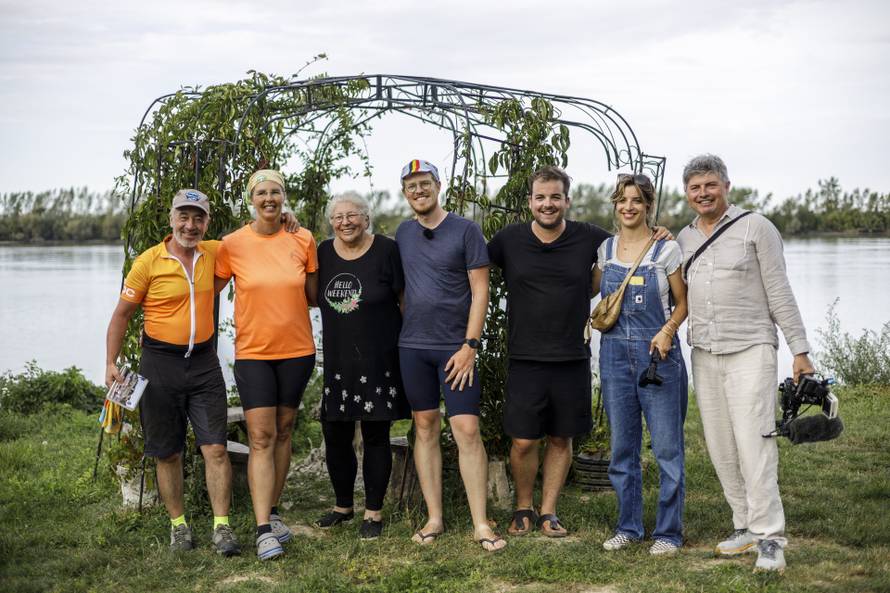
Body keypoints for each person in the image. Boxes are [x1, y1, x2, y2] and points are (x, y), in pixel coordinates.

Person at [677, 154, 814, 572]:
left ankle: (770, 537)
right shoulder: (683, 238)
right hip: (704, 352)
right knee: (721, 445)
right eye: (696, 187)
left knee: (755, 444)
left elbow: (780, 292)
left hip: (751, 348)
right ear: (687, 193)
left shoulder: (757, 227)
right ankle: (744, 525)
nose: (703, 193)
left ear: (726, 186)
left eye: (710, 185)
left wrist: (800, 351)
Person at [104, 189, 240, 556]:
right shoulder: (148, 262)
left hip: (204, 363)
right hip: (159, 364)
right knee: (167, 452)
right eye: (184, 216)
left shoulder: (216, 251)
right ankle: (178, 527)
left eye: (198, 218)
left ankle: (222, 527)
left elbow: (255, 235)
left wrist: (287, 220)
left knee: (216, 448)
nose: (190, 225)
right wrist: (111, 362)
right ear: (171, 219)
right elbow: (121, 315)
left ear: (207, 223)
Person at [487, 166, 612, 538]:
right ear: (529, 202)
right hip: (524, 356)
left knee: (561, 437)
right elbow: (470, 267)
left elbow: (632, 245)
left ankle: (548, 512)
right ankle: (523, 506)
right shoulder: (508, 240)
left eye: (555, 197)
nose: (548, 204)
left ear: (567, 201)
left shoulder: (590, 238)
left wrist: (660, 234)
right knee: (523, 439)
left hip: (572, 355)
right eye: (540, 197)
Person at [395, 159, 506, 552]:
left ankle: (481, 523)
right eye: (411, 186)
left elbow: (481, 290)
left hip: (456, 348)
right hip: (413, 347)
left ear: (438, 186)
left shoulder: (466, 230)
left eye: (425, 183)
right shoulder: (403, 233)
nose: (419, 191)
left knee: (466, 429)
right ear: (405, 193)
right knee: (424, 426)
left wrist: (470, 346)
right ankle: (434, 518)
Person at [214, 169, 318, 560]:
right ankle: (262, 531)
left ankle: (272, 512)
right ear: (251, 199)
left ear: (283, 197)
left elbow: (313, 296)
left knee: (284, 430)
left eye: (275, 192)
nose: (269, 198)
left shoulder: (303, 238)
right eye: (262, 193)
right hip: (254, 353)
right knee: (260, 436)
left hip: (297, 351)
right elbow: (207, 289)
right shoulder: (231, 244)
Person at [593, 173, 689, 555]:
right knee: (622, 449)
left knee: (667, 450)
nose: (628, 207)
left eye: (636, 200)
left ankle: (668, 533)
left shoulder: (666, 249)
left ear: (648, 205)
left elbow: (683, 302)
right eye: (622, 200)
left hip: (658, 355)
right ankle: (628, 527)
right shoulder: (605, 249)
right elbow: (593, 292)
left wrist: (667, 331)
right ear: (615, 205)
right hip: (614, 356)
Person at [313, 192, 411, 539]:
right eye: (338, 217)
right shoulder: (324, 252)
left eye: (352, 215)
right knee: (334, 433)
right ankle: (343, 505)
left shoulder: (386, 250)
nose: (345, 222)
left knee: (375, 434)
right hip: (339, 359)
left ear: (366, 218)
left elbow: (404, 300)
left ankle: (373, 511)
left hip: (379, 356)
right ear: (331, 222)